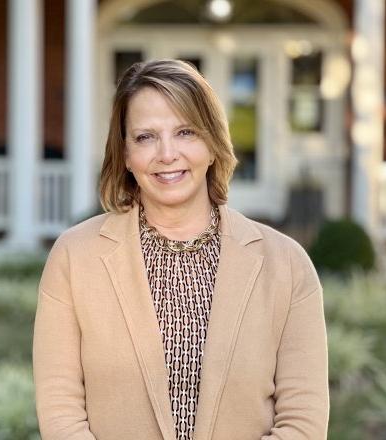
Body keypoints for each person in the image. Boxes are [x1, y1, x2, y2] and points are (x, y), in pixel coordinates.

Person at [32, 59, 328, 440]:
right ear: (124, 154)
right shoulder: (75, 258)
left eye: (185, 132)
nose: (167, 153)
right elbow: (62, 415)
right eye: (145, 137)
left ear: (212, 144)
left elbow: (303, 423)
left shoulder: (286, 265)